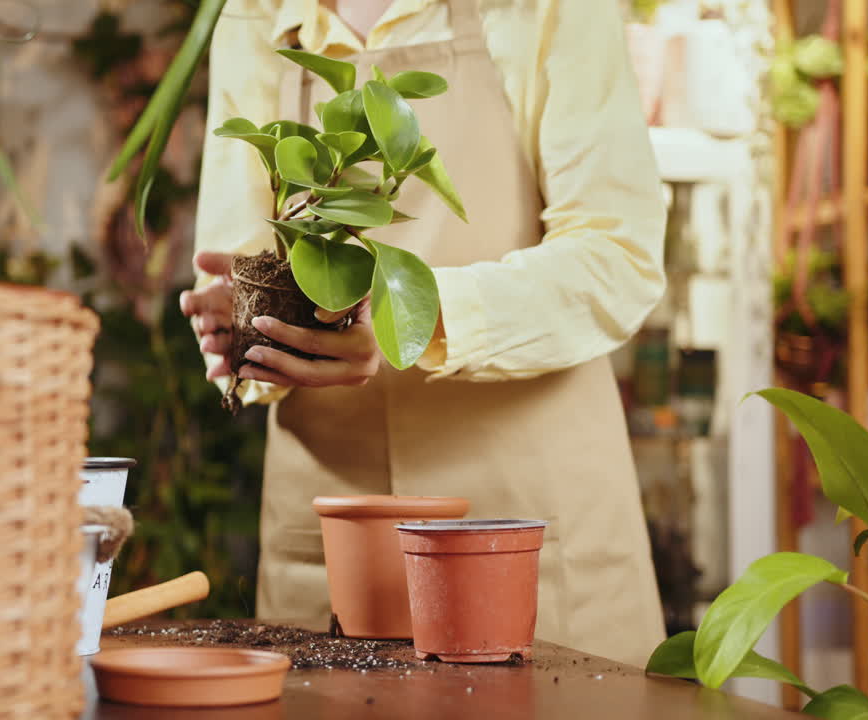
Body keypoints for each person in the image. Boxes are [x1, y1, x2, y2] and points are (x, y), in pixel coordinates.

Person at [180, 0, 668, 667]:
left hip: (525, 518)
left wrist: (406, 316)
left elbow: (618, 256)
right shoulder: (258, 14)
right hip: (332, 530)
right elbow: (239, 260)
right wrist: (240, 331)